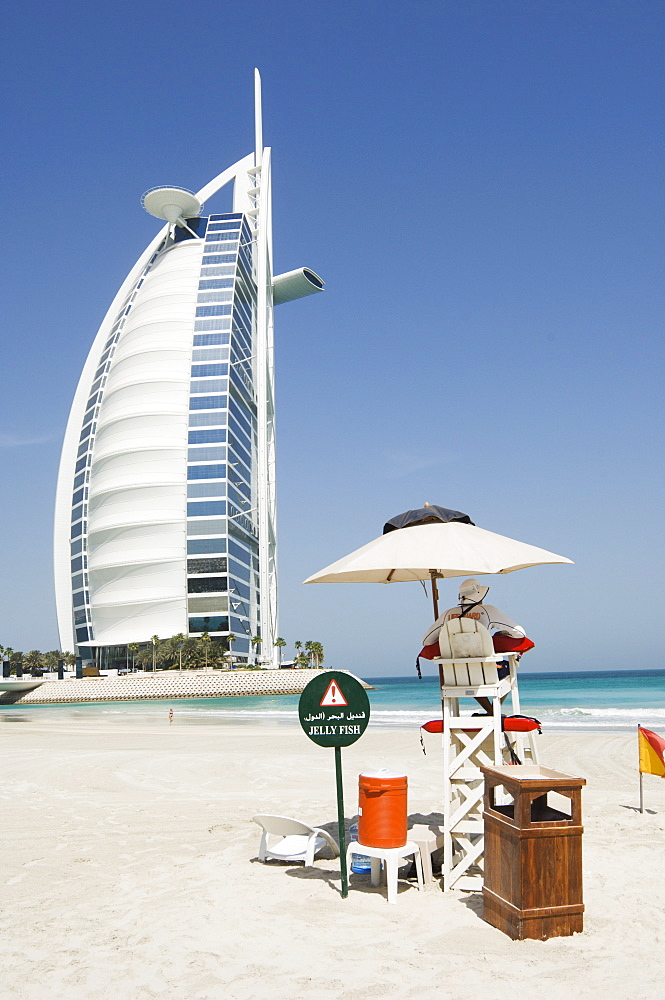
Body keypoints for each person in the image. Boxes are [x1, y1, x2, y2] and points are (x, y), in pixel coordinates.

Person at [419, 578, 534, 712]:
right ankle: (494, 712)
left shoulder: (447, 614)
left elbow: (426, 641)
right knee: (508, 669)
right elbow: (520, 633)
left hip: (457, 675)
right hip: (488, 672)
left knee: (471, 672)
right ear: (480, 596)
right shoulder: (488, 611)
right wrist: (501, 634)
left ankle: (490, 711)